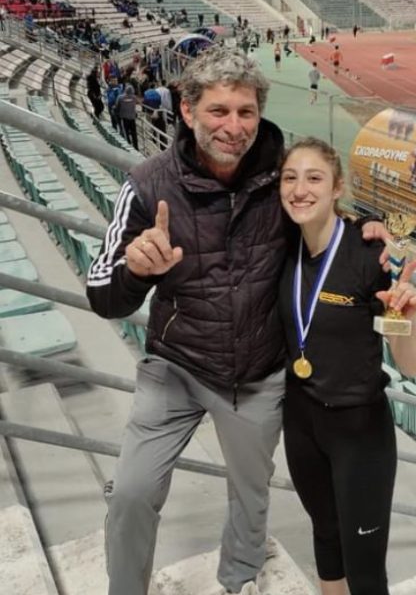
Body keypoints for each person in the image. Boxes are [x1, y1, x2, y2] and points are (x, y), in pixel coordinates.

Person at [86, 46, 288, 595]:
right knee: (131, 492)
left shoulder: (286, 176)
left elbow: (329, 229)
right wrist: (134, 271)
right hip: (175, 367)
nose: (234, 127)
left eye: (246, 112)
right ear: (187, 109)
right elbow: (102, 295)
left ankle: (239, 579)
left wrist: (368, 236)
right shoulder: (147, 183)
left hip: (257, 371)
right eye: (218, 110)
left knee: (251, 493)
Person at [278, 138, 416, 595]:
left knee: (364, 570)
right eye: (290, 178)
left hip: (359, 433)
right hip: (300, 422)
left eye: (314, 178)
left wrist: (407, 318)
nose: (300, 189)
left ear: (337, 187)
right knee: (325, 536)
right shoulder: (283, 245)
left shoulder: (369, 256)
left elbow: (413, 366)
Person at [115, 83, 138, 149]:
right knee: (134, 133)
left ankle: (128, 146)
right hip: (132, 118)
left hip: (124, 118)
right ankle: (136, 147)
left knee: (126, 133)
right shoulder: (134, 97)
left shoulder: (120, 97)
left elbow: (117, 106)